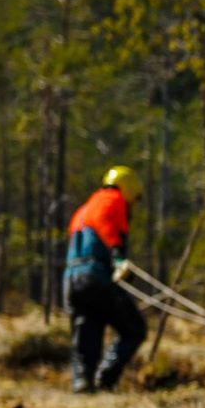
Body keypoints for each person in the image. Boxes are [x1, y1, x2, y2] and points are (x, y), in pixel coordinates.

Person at [62, 167, 147, 393]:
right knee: (134, 329)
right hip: (95, 277)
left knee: (86, 328)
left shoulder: (84, 207)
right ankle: (106, 377)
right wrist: (117, 254)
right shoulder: (112, 199)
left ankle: (82, 382)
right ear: (129, 189)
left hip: (72, 280)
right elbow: (103, 221)